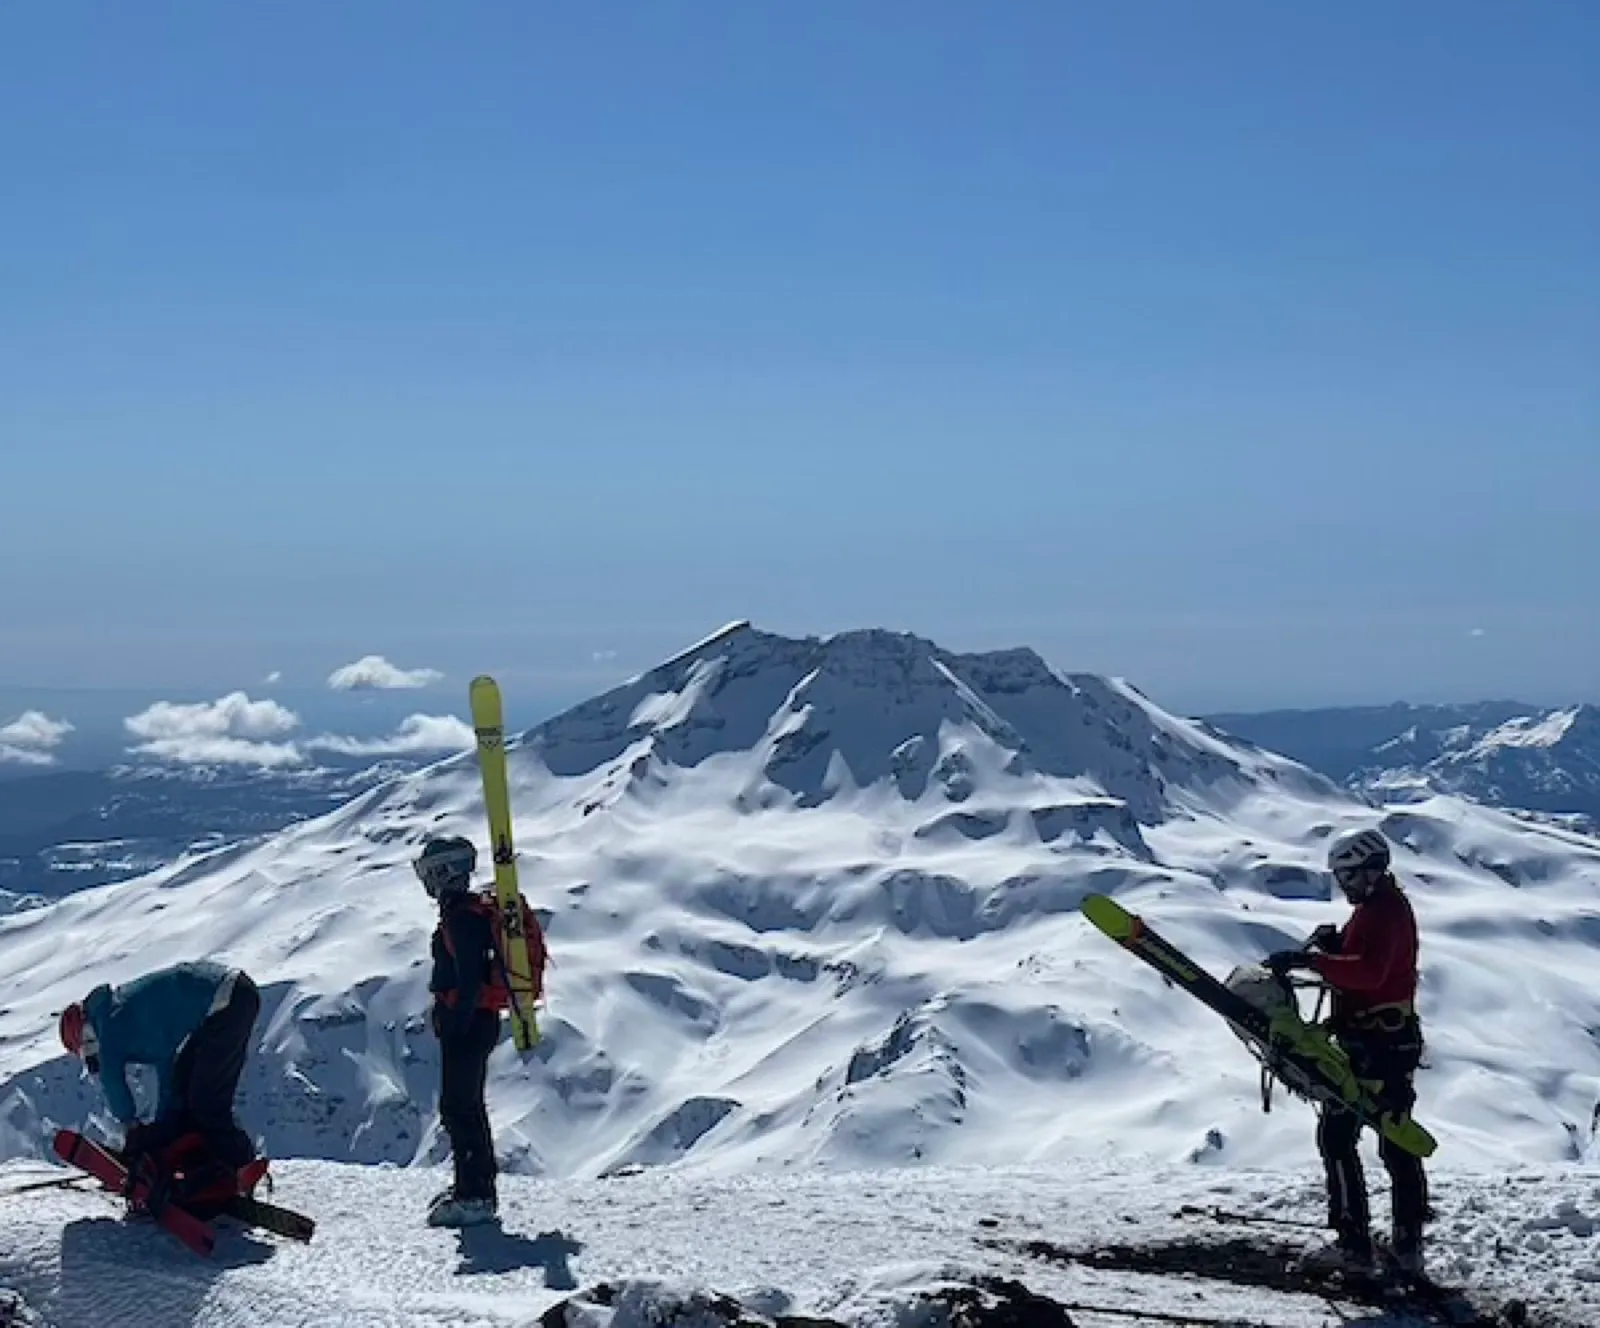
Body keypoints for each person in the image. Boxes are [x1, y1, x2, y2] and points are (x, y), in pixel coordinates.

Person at [1268, 827, 1427, 1277]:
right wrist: (1336, 947)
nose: (1343, 884)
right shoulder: (1383, 908)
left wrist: (1311, 961)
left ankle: (1353, 1245)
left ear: (1369, 871)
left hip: (1374, 1045)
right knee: (1395, 1137)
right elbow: (1372, 963)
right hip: (1390, 1041)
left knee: (1338, 1137)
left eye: (1348, 875)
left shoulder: (1381, 912)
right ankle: (1408, 1247)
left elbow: (1369, 974)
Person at [58, 960, 261, 1175]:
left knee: (205, 1101)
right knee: (186, 1091)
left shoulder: (108, 1025)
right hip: (229, 995)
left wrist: (131, 1128)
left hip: (226, 1001)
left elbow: (112, 1079)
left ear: (87, 1035)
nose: (94, 1058)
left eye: (87, 1050)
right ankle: (203, 1166)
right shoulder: (122, 1014)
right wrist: (165, 1125)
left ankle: (239, 1167)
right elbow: (168, 1070)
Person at [417, 835, 503, 1228]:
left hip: (468, 1023)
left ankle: (476, 1195)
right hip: (475, 1020)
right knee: (465, 1105)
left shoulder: (461, 918)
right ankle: (472, 1186)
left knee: (459, 1107)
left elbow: (468, 977)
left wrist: (456, 1022)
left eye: (432, 873)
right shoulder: (466, 912)